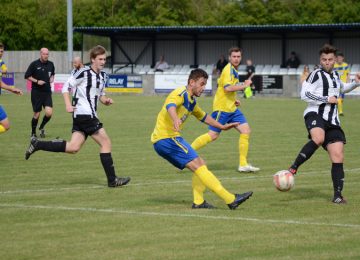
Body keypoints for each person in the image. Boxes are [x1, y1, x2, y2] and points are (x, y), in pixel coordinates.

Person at [25, 45, 130, 188]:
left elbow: (100, 95)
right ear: (92, 59)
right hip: (85, 115)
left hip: (83, 116)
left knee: (73, 148)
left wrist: (106, 100)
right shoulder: (84, 72)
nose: (103, 61)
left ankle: (37, 144)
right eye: (100, 59)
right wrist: (68, 105)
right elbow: (65, 87)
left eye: (104, 59)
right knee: (106, 143)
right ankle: (112, 180)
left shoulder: (103, 76)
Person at [151, 68, 253, 209]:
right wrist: (175, 119)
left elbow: (204, 117)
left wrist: (222, 127)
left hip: (168, 140)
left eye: (205, 84)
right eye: (201, 84)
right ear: (192, 82)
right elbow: (170, 105)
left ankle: (199, 202)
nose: (203, 88)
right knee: (199, 165)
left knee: (200, 164)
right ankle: (230, 199)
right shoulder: (180, 93)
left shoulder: (192, 102)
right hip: (166, 139)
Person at [287, 44, 360, 204]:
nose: (327, 62)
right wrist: (325, 99)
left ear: (335, 60)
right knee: (319, 138)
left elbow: (342, 88)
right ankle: (293, 167)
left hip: (333, 121)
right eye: (324, 60)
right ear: (320, 60)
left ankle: (337, 195)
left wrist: (355, 83)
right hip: (315, 114)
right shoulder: (315, 74)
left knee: (338, 156)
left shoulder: (336, 76)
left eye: (330, 59)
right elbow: (304, 94)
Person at [191, 47, 259, 173]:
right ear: (229, 57)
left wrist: (234, 100)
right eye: (234, 56)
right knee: (213, 135)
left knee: (246, 130)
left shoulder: (234, 70)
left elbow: (226, 89)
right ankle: (187, 153)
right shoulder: (228, 70)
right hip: (222, 109)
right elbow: (227, 88)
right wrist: (244, 85)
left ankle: (243, 164)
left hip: (232, 108)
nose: (236, 59)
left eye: (238, 56)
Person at [25, 48, 55, 138]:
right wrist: (37, 81)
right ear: (40, 54)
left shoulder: (51, 64)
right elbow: (27, 76)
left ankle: (41, 126)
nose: (46, 56)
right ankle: (33, 133)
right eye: (44, 54)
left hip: (47, 92)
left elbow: (53, 73)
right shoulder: (34, 64)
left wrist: (52, 78)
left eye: (47, 54)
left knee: (49, 113)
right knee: (37, 114)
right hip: (36, 92)